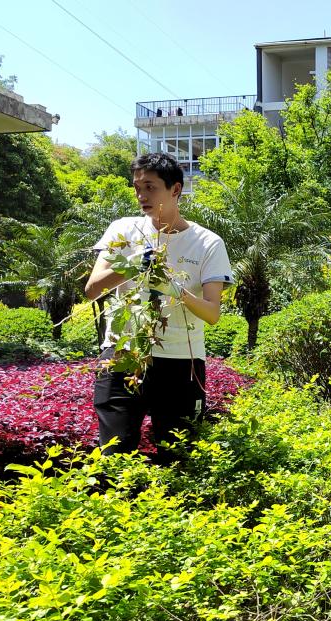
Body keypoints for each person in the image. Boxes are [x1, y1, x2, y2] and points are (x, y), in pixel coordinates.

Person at [84, 152, 233, 461]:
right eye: (137, 187)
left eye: (150, 187)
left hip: (181, 360)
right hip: (123, 355)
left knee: (179, 457)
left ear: (175, 190)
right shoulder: (123, 230)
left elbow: (212, 313)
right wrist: (131, 265)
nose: (142, 196)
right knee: (114, 453)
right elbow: (92, 289)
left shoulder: (207, 243)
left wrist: (176, 290)